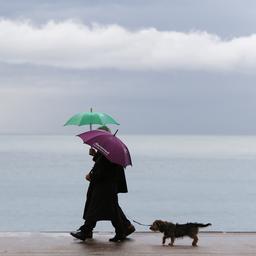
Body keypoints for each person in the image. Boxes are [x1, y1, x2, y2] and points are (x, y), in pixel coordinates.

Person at [70, 126, 135, 242]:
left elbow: (104, 169)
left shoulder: (109, 152)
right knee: (112, 210)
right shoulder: (109, 152)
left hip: (104, 187)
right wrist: (95, 155)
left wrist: (91, 176)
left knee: (94, 208)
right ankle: (123, 229)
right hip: (108, 186)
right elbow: (104, 164)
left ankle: (86, 231)